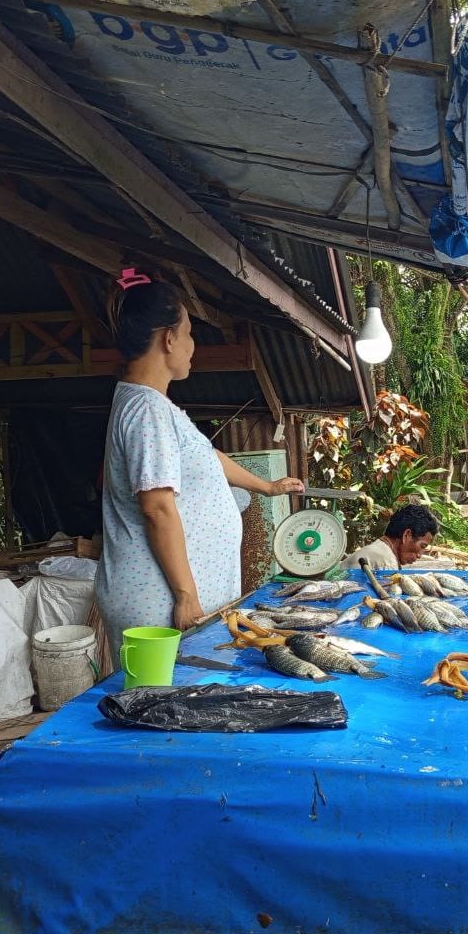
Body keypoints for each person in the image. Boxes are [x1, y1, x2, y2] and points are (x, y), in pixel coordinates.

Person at [95, 268, 304, 654]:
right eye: (189, 333)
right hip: (159, 601)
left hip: (168, 598)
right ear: (169, 339)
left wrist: (269, 487)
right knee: (165, 706)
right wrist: (186, 594)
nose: (193, 345)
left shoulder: (155, 405)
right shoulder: (146, 411)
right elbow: (157, 508)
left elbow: (208, 458)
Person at [341, 504, 439, 570]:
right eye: (422, 546)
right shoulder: (386, 563)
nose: (419, 555)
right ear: (407, 535)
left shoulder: (380, 548)